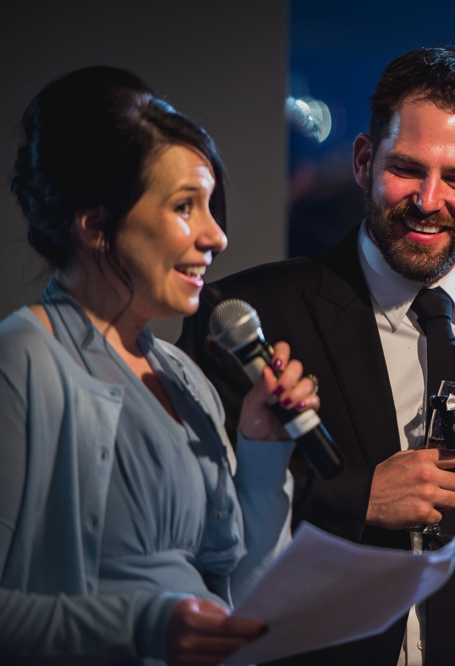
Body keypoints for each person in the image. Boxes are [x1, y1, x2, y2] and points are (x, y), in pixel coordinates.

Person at [179, 46, 455, 665]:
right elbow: (194, 512)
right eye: (407, 169)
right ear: (365, 161)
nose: (428, 199)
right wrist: (358, 498)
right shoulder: (251, 313)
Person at [0, 67, 318, 665]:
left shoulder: (184, 376)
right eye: (184, 207)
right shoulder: (24, 359)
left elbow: (238, 595)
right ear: (96, 226)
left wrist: (263, 449)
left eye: (210, 207)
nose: (217, 235)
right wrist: (144, 625)